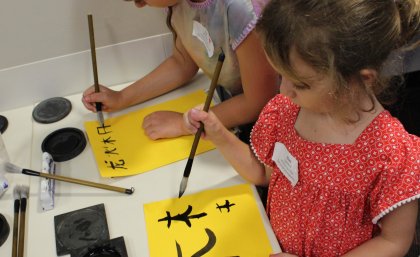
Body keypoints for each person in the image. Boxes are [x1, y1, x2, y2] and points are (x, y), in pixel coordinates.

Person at [185, 0, 420, 256]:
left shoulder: (391, 153)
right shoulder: (286, 112)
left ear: (360, 79)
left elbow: (394, 242)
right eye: (281, 75)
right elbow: (264, 174)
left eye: (301, 84)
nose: (284, 90)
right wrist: (219, 135)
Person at [82, 0, 279, 142]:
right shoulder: (179, 3)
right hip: (234, 103)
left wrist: (184, 124)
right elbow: (183, 61)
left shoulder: (239, 9)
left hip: (278, 121)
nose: (139, 5)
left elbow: (259, 102)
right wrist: (122, 98)